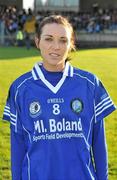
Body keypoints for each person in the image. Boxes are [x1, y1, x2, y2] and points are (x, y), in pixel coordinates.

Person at [3, 15, 116, 180]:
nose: (56, 47)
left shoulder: (90, 84)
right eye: (49, 39)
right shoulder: (20, 88)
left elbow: (98, 144)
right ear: (37, 42)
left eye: (63, 40)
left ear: (71, 45)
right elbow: (18, 146)